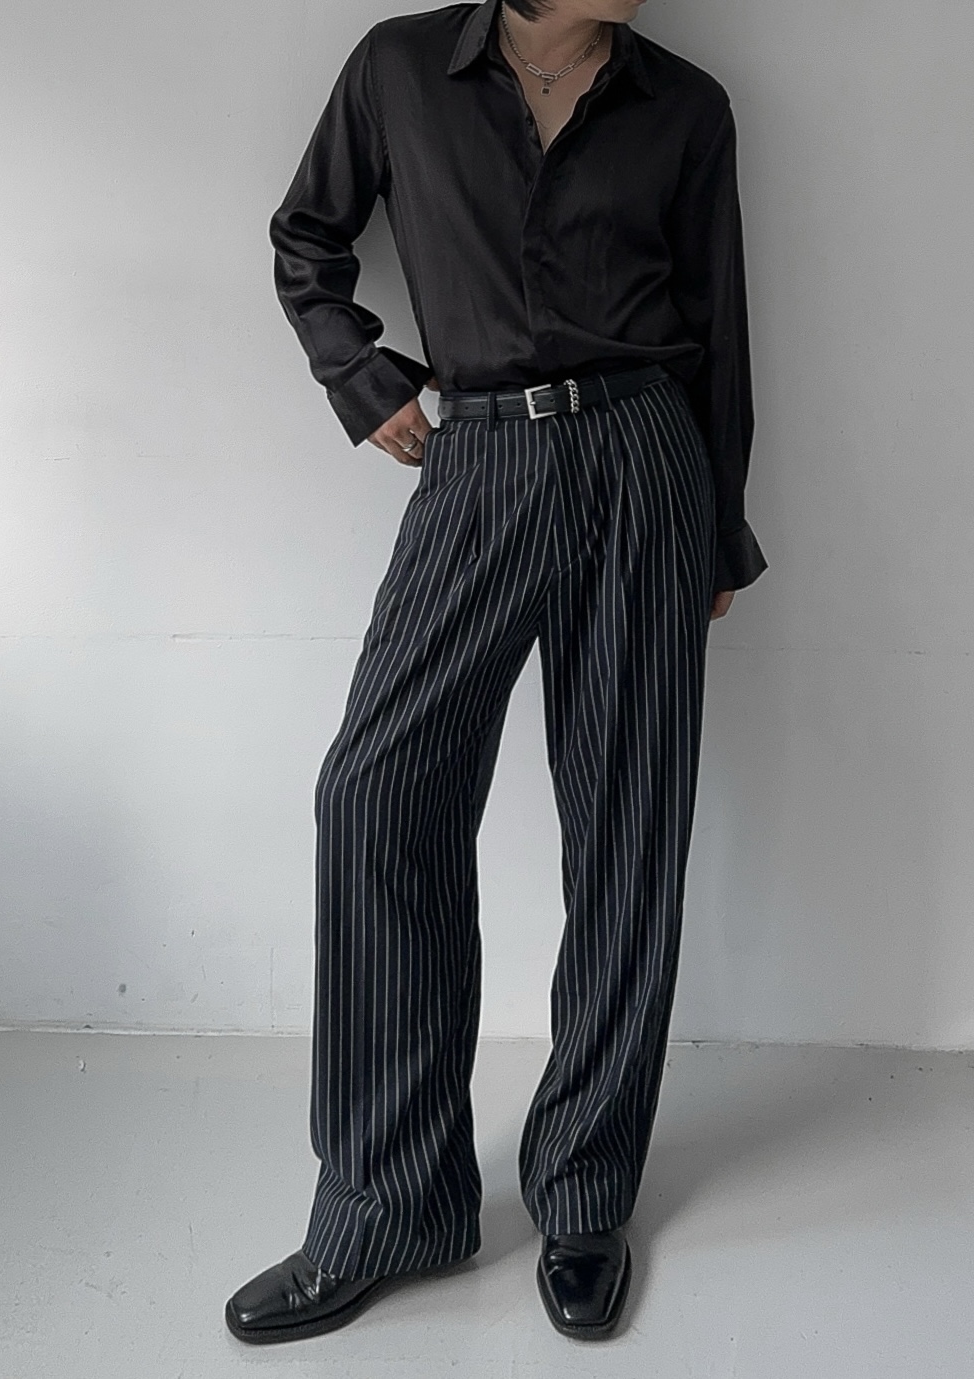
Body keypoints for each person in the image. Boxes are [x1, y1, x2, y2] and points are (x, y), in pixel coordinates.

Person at [225, 0, 767, 1345]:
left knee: (627, 829)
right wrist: (362, 380)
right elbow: (305, 240)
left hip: (643, 460)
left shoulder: (685, 107)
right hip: (477, 460)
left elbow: (720, 324)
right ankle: (388, 1202)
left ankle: (585, 1194)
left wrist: (717, 528)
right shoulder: (400, 68)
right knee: (376, 794)